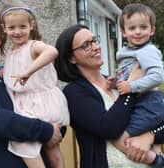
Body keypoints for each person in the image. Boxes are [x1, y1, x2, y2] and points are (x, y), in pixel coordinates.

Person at [54, 24, 164, 168]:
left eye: (94, 40)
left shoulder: (116, 82)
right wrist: (130, 87)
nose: (95, 47)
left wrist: (150, 136)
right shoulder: (74, 93)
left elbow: (158, 115)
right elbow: (109, 128)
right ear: (72, 58)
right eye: (86, 45)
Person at [0, 1, 69, 168]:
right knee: (41, 149)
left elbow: (51, 52)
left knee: (48, 151)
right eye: (11, 28)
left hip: (41, 106)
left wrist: (28, 71)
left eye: (22, 26)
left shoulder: (31, 47)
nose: (17, 32)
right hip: (32, 117)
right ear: (5, 28)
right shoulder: (9, 59)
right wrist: (46, 130)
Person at [113, 3, 164, 163]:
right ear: (123, 32)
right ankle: (157, 158)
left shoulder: (147, 51)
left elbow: (158, 75)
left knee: (123, 138)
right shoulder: (128, 52)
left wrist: (131, 87)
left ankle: (155, 161)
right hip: (139, 100)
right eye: (132, 28)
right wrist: (115, 81)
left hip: (148, 102)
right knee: (151, 141)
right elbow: (128, 74)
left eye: (143, 27)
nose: (138, 31)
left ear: (152, 30)